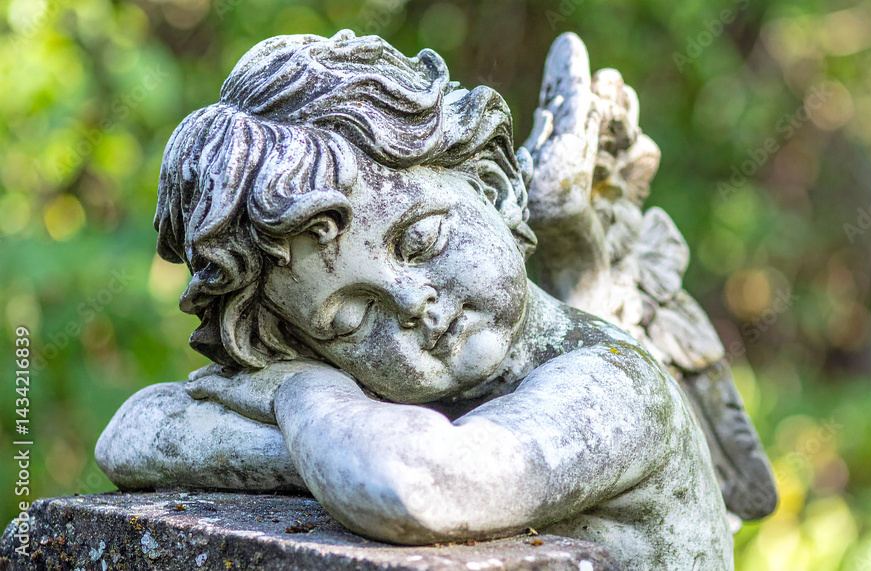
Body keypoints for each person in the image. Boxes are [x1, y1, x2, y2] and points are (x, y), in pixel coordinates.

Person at [96, 31, 733, 570]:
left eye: (421, 239)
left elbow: (420, 486)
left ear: (490, 185)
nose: (410, 304)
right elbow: (134, 434)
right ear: (300, 343)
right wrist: (328, 448)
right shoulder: (394, 404)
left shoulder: (618, 388)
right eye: (349, 318)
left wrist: (299, 397)